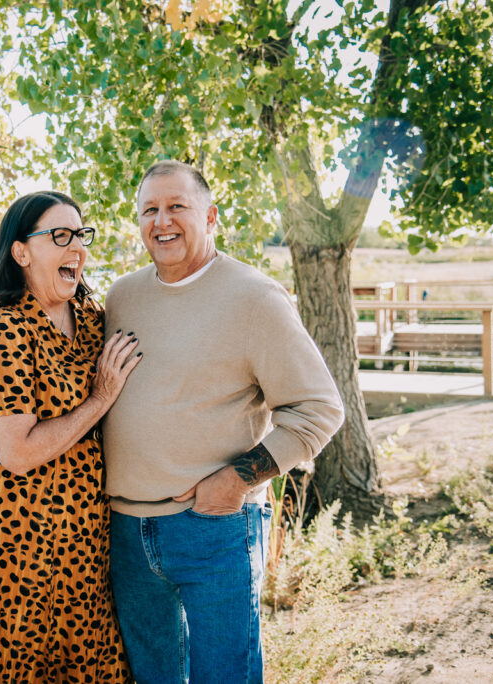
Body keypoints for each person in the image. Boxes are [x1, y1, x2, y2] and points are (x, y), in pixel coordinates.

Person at [103, 160, 345, 684]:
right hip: (124, 535)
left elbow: (320, 409)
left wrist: (237, 479)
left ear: (211, 216)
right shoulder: (122, 296)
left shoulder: (255, 298)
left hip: (211, 528)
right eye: (149, 209)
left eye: (176, 207)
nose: (161, 220)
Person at [0, 191, 140, 683]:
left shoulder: (92, 318)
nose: (76, 247)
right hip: (3, 542)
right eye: (60, 236)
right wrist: (99, 400)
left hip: (80, 542)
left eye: (81, 235)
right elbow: (17, 452)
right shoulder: (2, 327)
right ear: (21, 252)